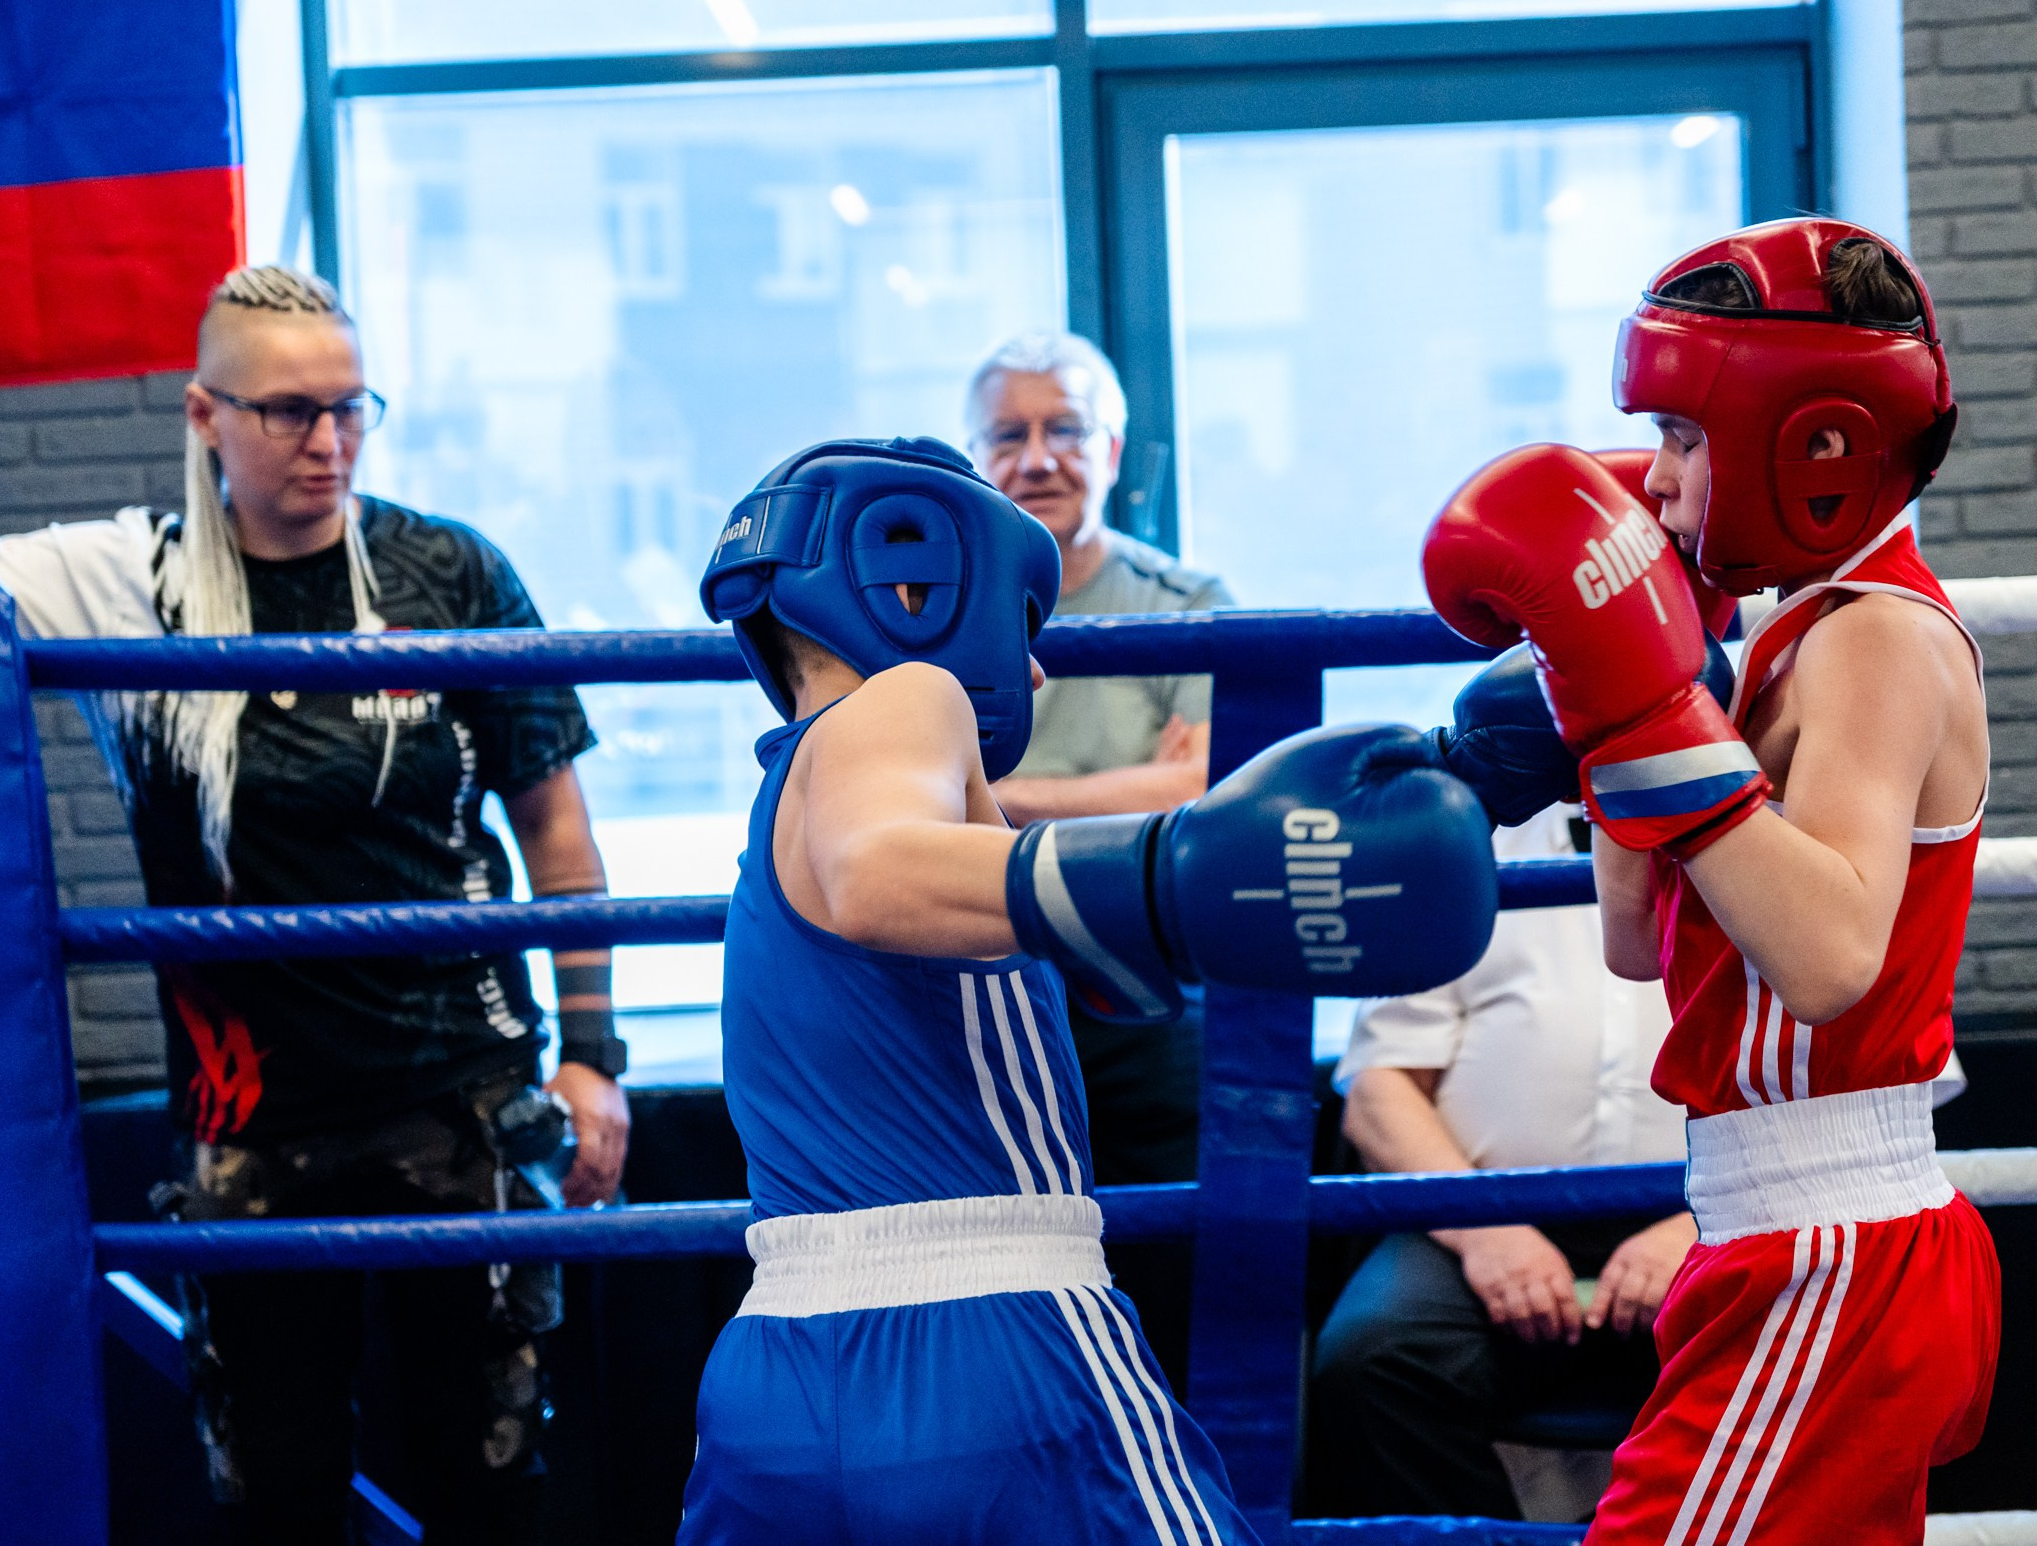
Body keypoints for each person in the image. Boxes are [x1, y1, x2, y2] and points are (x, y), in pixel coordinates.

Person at [0, 265, 631, 1546]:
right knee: (276, 1493)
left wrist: (592, 1056)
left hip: (459, 1094)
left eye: (353, 407)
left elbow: (560, 838)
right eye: (290, 412)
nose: (329, 442)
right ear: (206, 415)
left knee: (490, 1481)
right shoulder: (129, 579)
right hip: (251, 1123)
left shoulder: (452, 572)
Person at [678, 435, 1499, 1543]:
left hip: (776, 1370)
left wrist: (1483, 773)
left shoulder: (793, 792)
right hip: (993, 1346)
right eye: (1021, 629)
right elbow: (876, 872)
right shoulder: (911, 700)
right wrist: (1172, 875)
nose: (1032, 673)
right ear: (912, 590)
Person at [1420, 218, 2000, 1545]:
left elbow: (1833, 950)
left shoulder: (1876, 641)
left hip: (1830, 1247)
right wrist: (1624, 674)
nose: (1662, 477)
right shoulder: (1786, 634)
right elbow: (1640, 942)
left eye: (1686, 435)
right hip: (1780, 1229)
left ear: (1818, 442)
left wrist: (1653, 715)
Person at [969, 330, 1235, 1376]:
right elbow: (903, 812)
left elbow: (1206, 790)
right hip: (987, 1003)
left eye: (1065, 429)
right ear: (975, 455)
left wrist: (999, 799)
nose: (1038, 458)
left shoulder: (1190, 605)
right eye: (1009, 434)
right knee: (1011, 1313)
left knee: (1172, 1302)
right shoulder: (933, 620)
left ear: (1113, 449)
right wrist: (1129, 801)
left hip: (1151, 999)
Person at [1310, 809, 1693, 1523]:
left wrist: (1703, 1223)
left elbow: (1823, 1078)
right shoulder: (1454, 846)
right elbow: (1379, 1088)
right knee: (1369, 1360)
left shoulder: (1754, 832)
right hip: (1476, 1209)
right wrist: (1486, 1227)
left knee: (1809, 1345)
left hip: (1711, 1213)